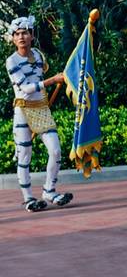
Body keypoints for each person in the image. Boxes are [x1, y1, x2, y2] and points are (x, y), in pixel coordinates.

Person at [7, 16, 73, 212]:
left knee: (55, 150)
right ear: (13, 38)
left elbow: (38, 79)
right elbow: (26, 88)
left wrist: (56, 79)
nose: (21, 37)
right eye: (17, 34)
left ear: (32, 36)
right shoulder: (11, 61)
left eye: (25, 33)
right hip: (22, 109)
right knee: (24, 155)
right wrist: (52, 80)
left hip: (41, 108)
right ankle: (28, 199)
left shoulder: (38, 55)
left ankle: (49, 191)